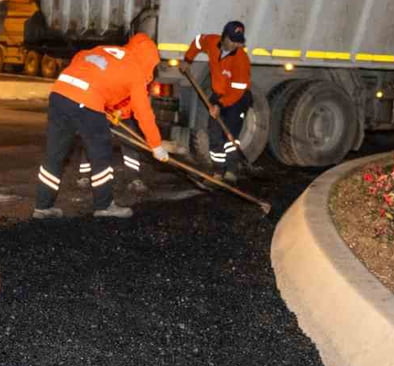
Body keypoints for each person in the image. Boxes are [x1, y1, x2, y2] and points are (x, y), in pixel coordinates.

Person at [33, 33, 167, 220]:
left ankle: (43, 206)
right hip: (86, 102)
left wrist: (108, 107)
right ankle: (104, 206)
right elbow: (143, 112)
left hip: (59, 94)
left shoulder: (105, 50)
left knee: (54, 154)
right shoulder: (135, 70)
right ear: (148, 58)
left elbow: (82, 59)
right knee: (100, 154)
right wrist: (156, 145)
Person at [180, 20, 252, 183]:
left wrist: (220, 105)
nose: (236, 45)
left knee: (230, 136)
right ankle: (218, 172)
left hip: (237, 99)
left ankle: (231, 172)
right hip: (218, 95)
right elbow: (198, 42)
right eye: (233, 40)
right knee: (214, 134)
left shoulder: (241, 59)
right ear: (224, 37)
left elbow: (238, 90)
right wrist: (188, 59)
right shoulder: (212, 42)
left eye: (239, 41)